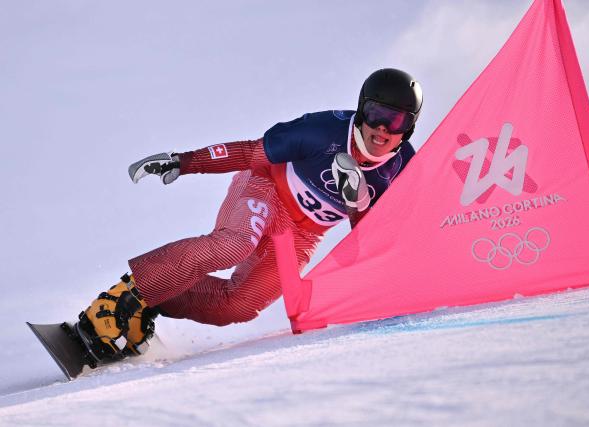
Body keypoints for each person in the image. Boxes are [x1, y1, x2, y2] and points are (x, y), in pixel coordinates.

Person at [75, 68, 423, 362]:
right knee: (236, 244)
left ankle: (151, 302)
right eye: (378, 114)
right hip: (266, 189)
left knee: (240, 305)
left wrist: (357, 203)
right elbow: (249, 152)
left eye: (397, 121)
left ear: (408, 127)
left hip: (303, 233)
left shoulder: (404, 168)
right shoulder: (322, 131)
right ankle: (119, 299)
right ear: (362, 110)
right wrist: (184, 161)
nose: (383, 129)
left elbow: (371, 245)